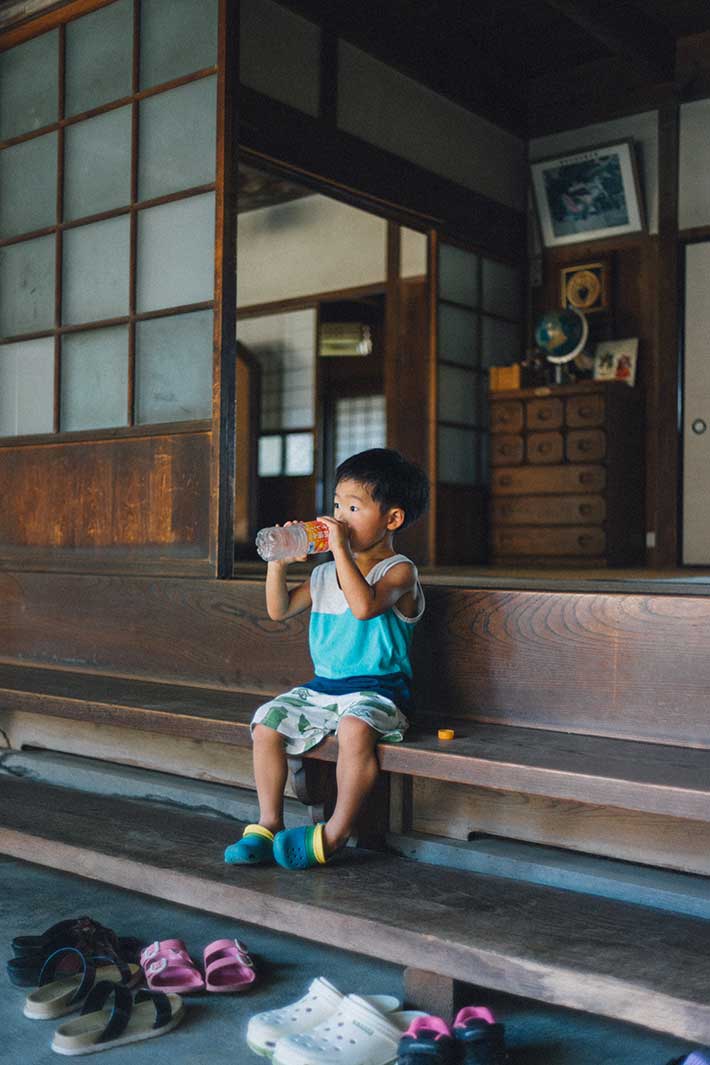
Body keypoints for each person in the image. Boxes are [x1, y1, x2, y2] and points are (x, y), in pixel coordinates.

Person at [225, 448, 429, 871]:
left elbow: (363, 606)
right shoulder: (322, 574)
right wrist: (278, 564)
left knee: (355, 730)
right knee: (266, 723)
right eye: (337, 504)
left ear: (392, 519)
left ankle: (335, 833)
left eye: (353, 508)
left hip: (380, 692)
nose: (339, 517)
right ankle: (268, 824)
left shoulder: (398, 571)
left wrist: (338, 551)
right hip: (324, 689)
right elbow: (279, 610)